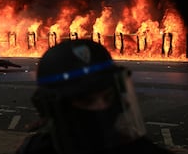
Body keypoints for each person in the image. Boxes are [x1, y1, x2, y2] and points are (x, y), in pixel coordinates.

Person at [16, 39, 174, 154]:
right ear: (56, 107)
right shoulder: (37, 150)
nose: (102, 107)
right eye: (87, 100)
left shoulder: (138, 149)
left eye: (108, 97)